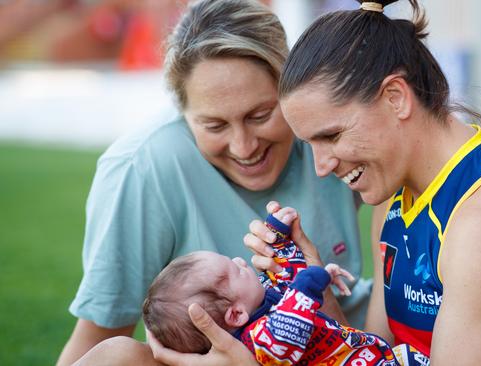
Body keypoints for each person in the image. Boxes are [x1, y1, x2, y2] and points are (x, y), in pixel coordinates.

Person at [72, 0, 481, 364]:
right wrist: (311, 290)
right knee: (115, 358)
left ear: (395, 97)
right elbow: (376, 354)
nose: (320, 168)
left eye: (329, 136)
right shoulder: (396, 202)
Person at [56, 0, 374, 364]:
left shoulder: (327, 135)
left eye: (260, 115)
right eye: (215, 125)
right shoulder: (142, 168)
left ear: (290, 90)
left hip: (347, 346)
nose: (245, 147)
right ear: (183, 112)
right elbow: (96, 343)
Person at [142, 211, 426, 365]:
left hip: (372, 354)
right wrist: (310, 282)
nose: (241, 260)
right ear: (236, 315)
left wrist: (277, 236)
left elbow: (289, 275)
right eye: (234, 270)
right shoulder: (260, 341)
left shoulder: (264, 302)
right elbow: (291, 320)